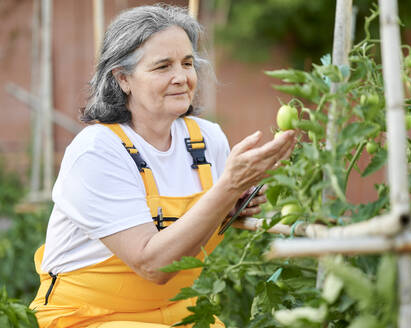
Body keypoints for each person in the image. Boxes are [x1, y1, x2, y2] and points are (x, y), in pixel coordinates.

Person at [29, 3, 295, 328]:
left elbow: (207, 218)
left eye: (187, 63)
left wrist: (237, 200)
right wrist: (226, 188)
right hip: (89, 317)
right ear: (123, 78)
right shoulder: (98, 151)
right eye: (162, 67)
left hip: (181, 312)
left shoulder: (208, 140)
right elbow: (151, 264)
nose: (181, 77)